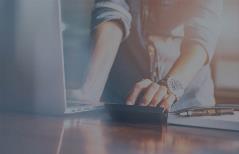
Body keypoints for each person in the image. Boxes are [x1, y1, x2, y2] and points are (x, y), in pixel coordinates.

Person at [69, 0, 223, 112]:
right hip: (120, 101)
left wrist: (171, 86)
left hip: (189, 104)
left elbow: (201, 37)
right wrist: (90, 88)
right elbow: (111, 12)